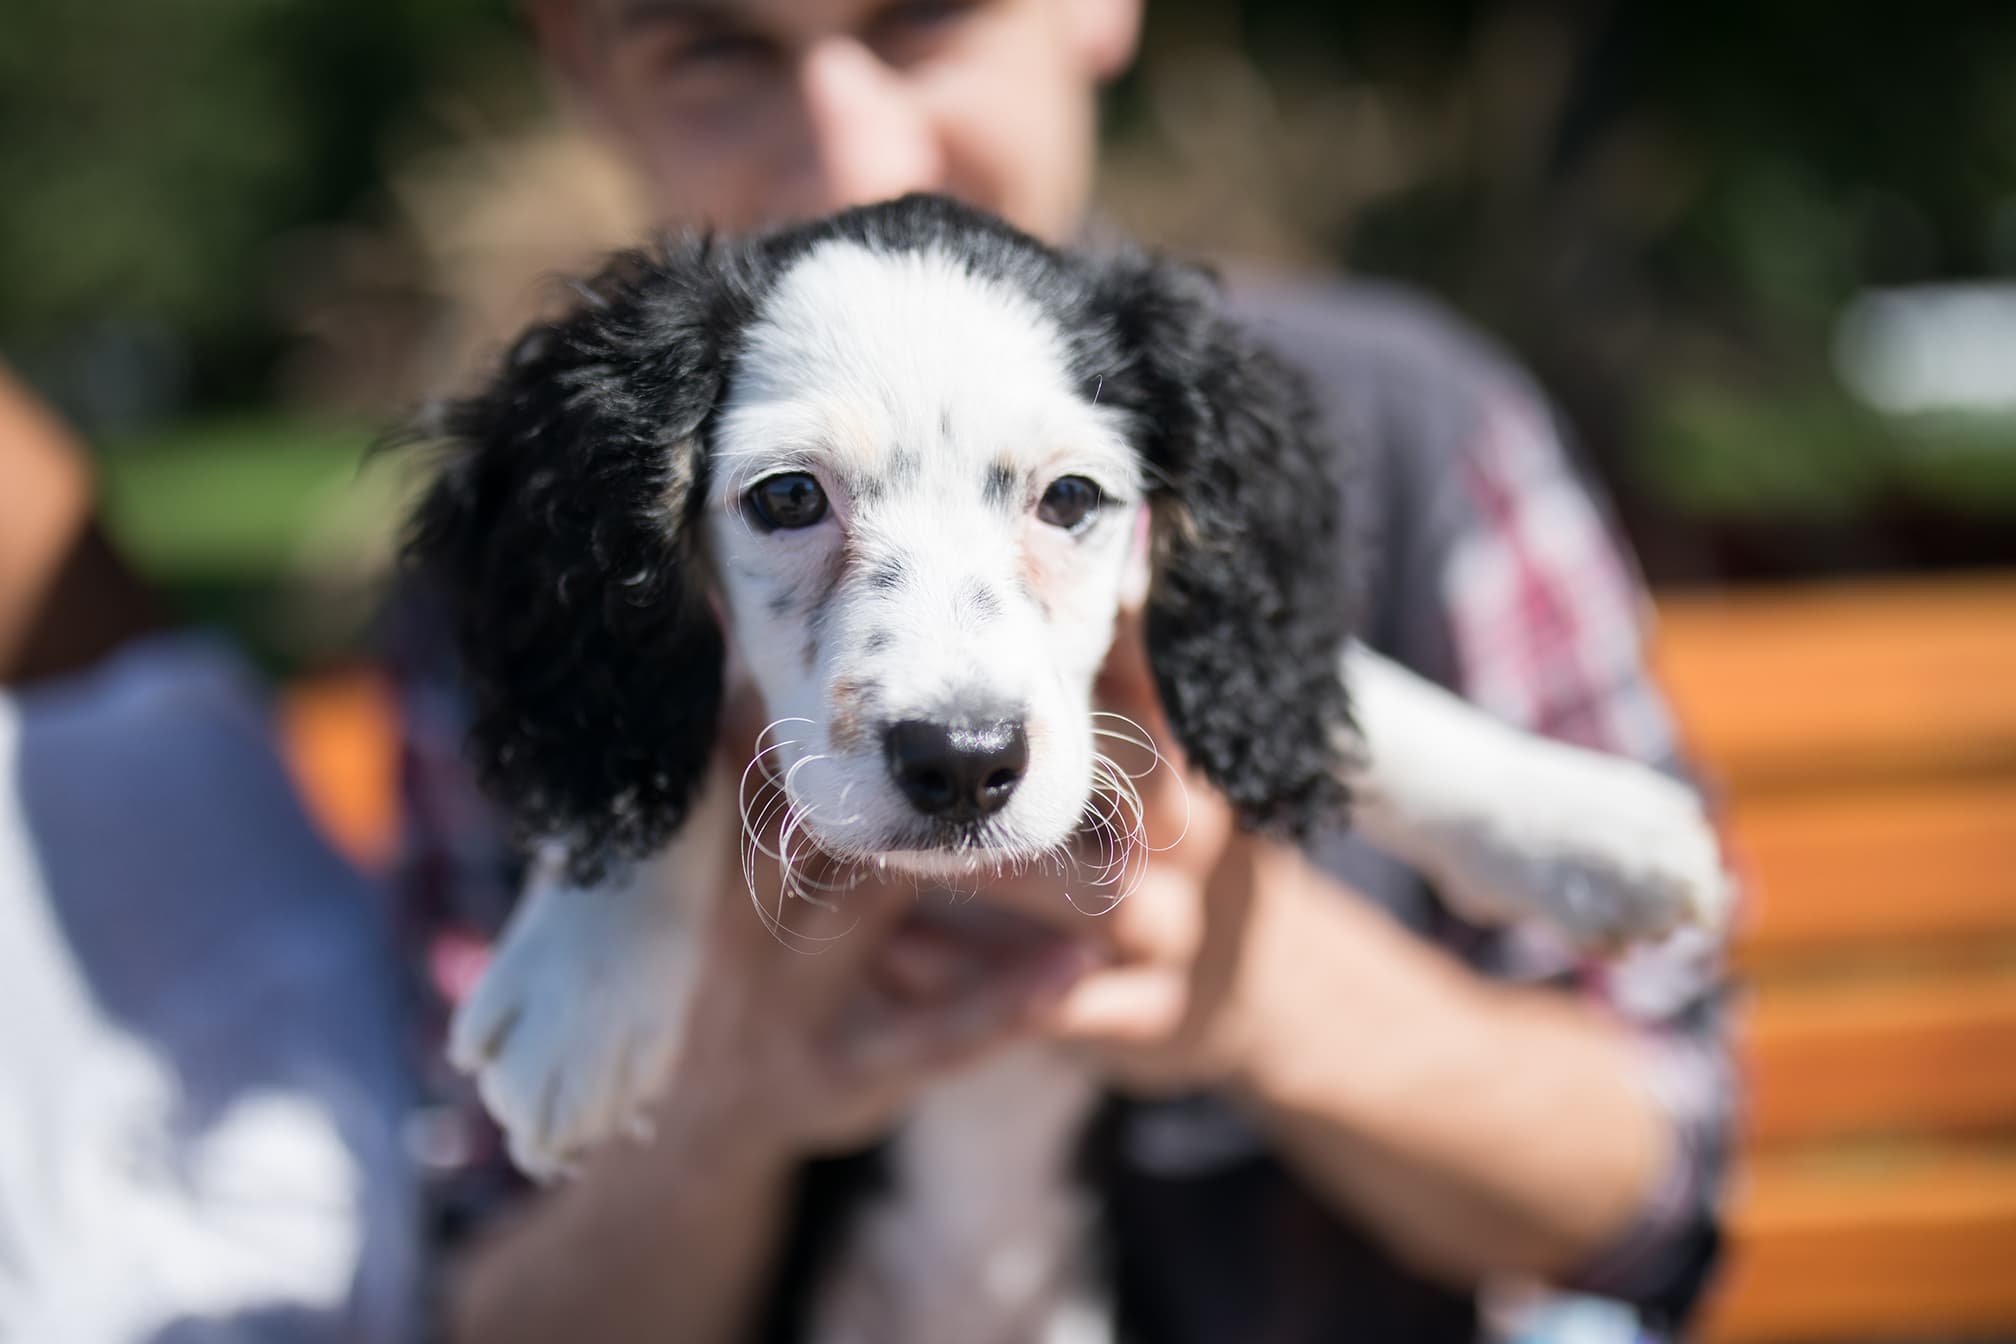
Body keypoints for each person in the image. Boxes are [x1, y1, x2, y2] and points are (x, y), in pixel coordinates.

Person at [395, 3, 1733, 1340]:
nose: (854, 143)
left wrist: (1273, 988)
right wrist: (672, 1021)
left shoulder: (1394, 419)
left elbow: (1651, 1196)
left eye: (924, 20)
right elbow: (476, 1298)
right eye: (794, 499)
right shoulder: (567, 547)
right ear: (582, 67)